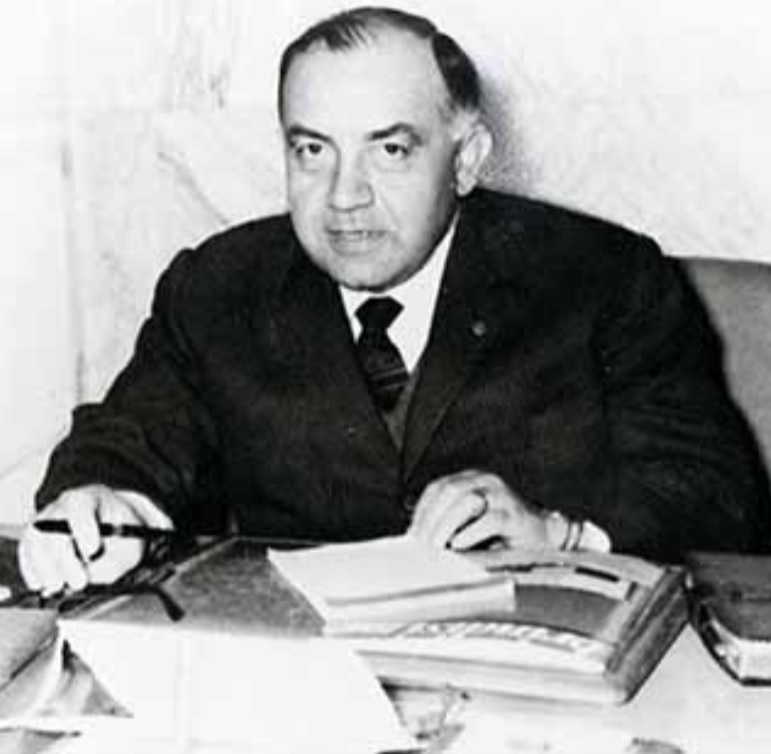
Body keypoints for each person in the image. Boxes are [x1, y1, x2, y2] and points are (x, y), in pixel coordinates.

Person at [18, 6, 770, 594]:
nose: (344, 195)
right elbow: (127, 437)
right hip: (302, 681)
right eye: (312, 150)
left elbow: (718, 494)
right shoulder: (218, 285)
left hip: (539, 670)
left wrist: (560, 534)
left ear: (466, 159)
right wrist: (104, 501)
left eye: (390, 149)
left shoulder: (602, 277)